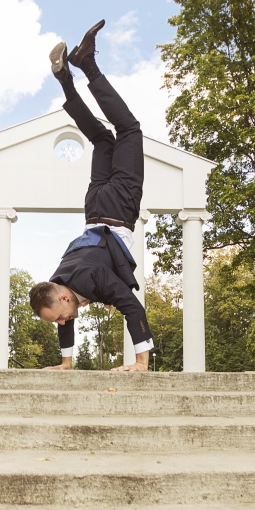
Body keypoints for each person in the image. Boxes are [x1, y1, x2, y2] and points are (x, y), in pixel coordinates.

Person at [29, 20, 153, 372]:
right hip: (94, 207)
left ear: (64, 296)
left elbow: (131, 305)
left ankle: (87, 64)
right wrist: (65, 362)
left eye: (58, 317)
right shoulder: (59, 277)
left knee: (129, 128)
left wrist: (141, 362)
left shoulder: (90, 282)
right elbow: (68, 316)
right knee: (103, 140)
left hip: (117, 209)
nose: (62, 322)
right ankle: (65, 80)